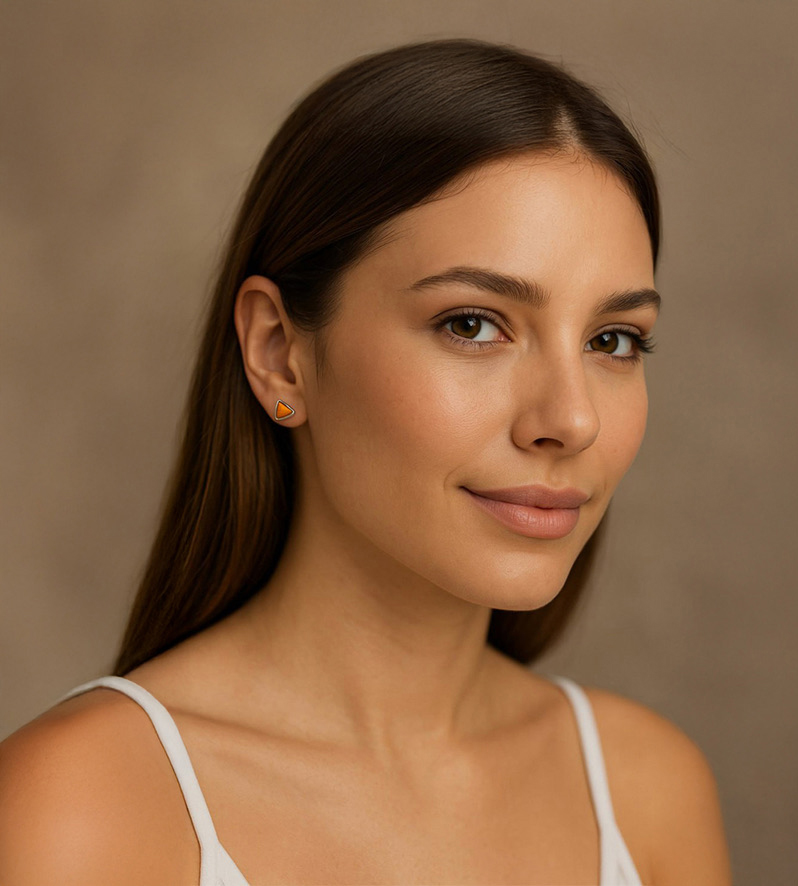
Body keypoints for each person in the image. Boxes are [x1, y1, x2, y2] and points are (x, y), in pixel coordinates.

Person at [0, 38, 732, 885]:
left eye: (613, 340)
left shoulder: (650, 792)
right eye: (472, 324)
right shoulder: (77, 811)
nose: (569, 419)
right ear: (279, 351)